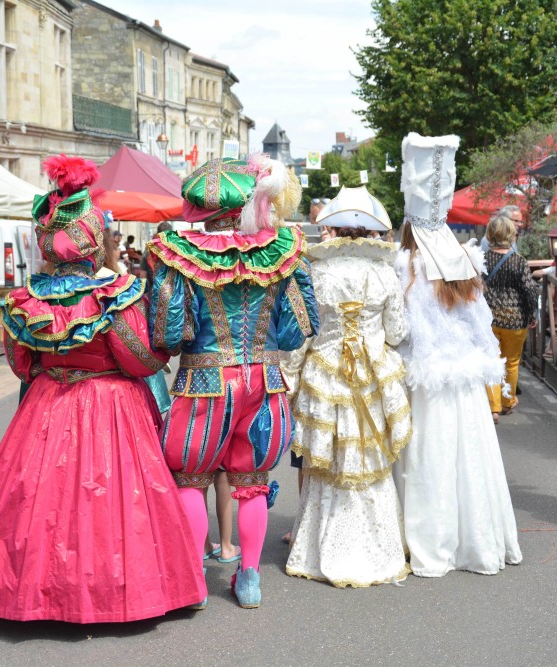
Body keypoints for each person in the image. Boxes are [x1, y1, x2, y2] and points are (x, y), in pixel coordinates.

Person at [0, 155, 205, 622]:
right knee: (112, 505)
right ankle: (115, 593)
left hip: (46, 405)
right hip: (111, 405)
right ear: (96, 240)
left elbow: (22, 365)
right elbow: (139, 360)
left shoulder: (27, 299)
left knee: (40, 503)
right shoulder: (113, 294)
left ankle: (35, 594)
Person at [148, 155, 318, 608]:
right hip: (264, 381)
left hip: (203, 382)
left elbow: (168, 332)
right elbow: (297, 327)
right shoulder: (281, 250)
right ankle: (248, 580)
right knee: (253, 483)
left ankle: (195, 585)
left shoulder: (181, 256)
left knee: (191, 481)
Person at [394, 133, 522, 576]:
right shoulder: (464, 260)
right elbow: (479, 327)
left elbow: (401, 329)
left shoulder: (406, 265)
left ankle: (427, 541)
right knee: (469, 461)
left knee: (427, 461)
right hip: (464, 381)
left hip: (425, 381)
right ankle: (475, 540)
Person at [285, 186, 412, 587]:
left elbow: (302, 334)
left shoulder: (316, 273)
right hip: (372, 375)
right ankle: (379, 550)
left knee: (330, 461)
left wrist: (290, 377)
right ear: (371, 232)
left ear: (335, 231)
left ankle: (323, 551)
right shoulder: (384, 274)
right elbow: (398, 331)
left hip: (325, 375)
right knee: (370, 459)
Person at [482, 212, 539, 424]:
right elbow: (529, 291)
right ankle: (507, 402)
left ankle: (492, 407)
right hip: (514, 320)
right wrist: (532, 314)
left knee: (491, 361)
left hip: (487, 319)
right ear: (511, 234)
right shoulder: (519, 261)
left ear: (490, 234)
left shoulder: (482, 259)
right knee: (512, 363)